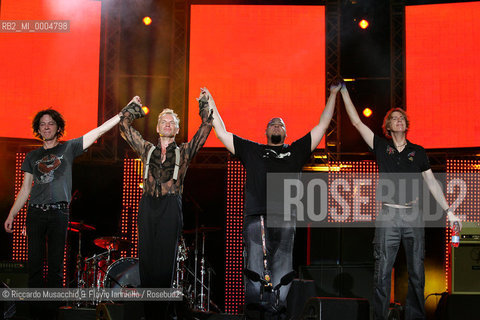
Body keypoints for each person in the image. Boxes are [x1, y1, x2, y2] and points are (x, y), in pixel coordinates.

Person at [202, 83, 341, 319]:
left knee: (283, 270)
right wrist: (211, 102)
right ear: (266, 132)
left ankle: (278, 312)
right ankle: (255, 314)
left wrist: (334, 94)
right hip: (256, 218)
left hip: (286, 217)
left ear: (286, 133)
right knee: (254, 270)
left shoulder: (295, 151)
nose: (277, 126)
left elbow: (322, 125)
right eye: (272, 124)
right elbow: (222, 133)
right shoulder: (252, 150)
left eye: (281, 125)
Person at [340, 83, 462, 320]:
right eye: (394, 118)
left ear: (406, 125)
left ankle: (415, 317)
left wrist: (450, 211)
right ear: (388, 126)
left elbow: (431, 183)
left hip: (413, 215)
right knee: (383, 271)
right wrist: (344, 92)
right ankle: (380, 317)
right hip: (388, 216)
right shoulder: (381, 146)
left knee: (417, 271)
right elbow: (357, 122)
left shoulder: (418, 151)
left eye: (402, 118)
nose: (399, 120)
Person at [4, 107, 123, 319]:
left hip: (59, 214)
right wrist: (12, 214)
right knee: (34, 267)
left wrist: (121, 115)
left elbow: (97, 132)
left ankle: (51, 313)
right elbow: (25, 189)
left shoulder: (68, 148)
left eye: (50, 123)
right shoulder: (32, 156)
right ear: (38, 129)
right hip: (35, 214)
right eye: (42, 124)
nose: (46, 127)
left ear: (58, 127)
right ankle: (35, 313)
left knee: (56, 268)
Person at [118, 93, 212, 319]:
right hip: (148, 205)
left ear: (177, 129)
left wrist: (203, 103)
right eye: (164, 121)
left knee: (164, 264)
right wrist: (134, 107)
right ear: (158, 126)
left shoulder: (184, 151)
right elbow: (123, 125)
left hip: (171, 206)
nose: (168, 124)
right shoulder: (147, 148)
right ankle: (149, 313)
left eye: (172, 123)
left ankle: (161, 313)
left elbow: (206, 127)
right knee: (147, 261)